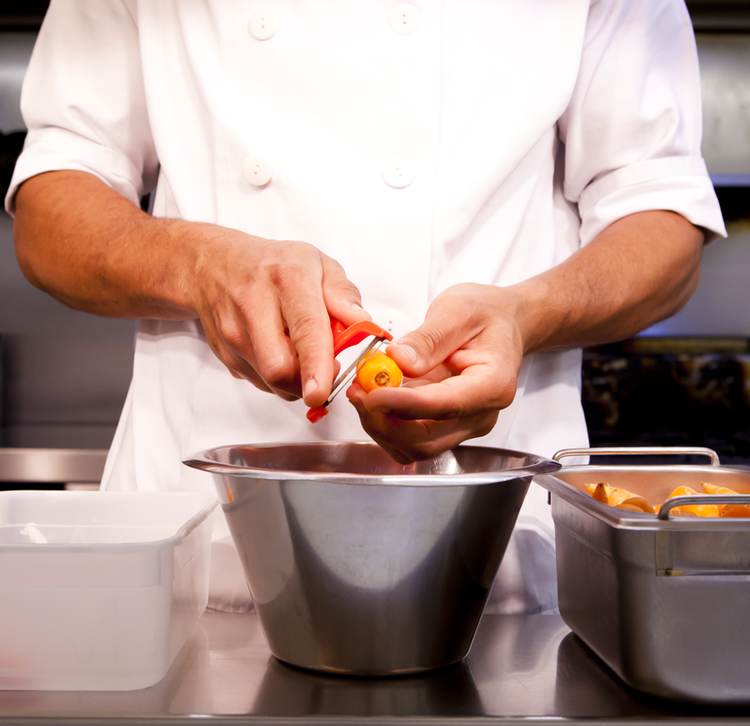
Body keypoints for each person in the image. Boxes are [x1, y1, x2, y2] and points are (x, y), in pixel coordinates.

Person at [6, 0, 725, 613]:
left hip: (488, 556)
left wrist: (527, 314)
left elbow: (659, 220)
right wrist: (197, 265)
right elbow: (51, 208)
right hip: (197, 559)